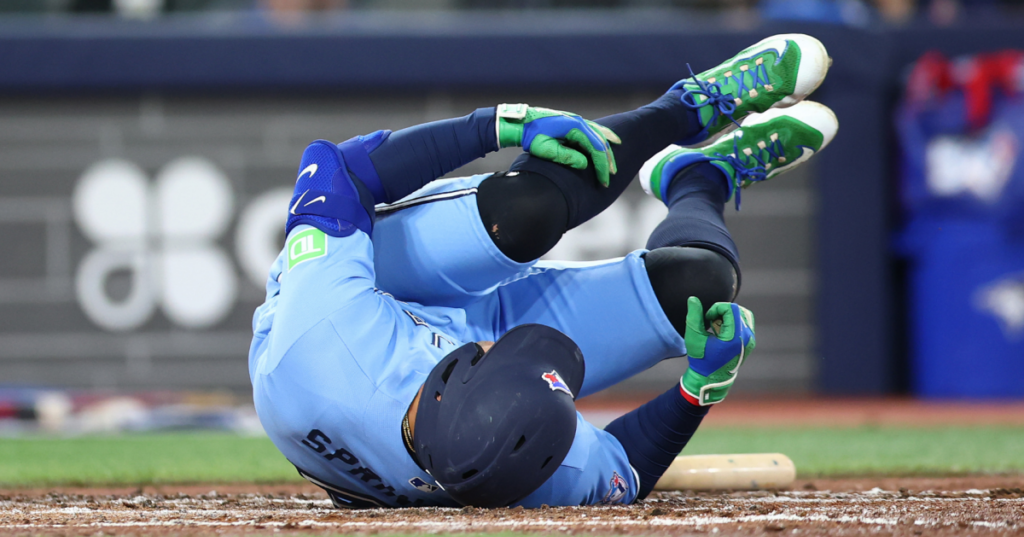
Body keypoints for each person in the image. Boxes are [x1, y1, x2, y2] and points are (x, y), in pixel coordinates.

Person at [249, 34, 837, 508]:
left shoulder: (321, 328)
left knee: (524, 213)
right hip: (404, 381)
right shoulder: (522, 465)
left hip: (379, 288)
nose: (507, 349)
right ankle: (700, 177)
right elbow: (625, 469)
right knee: (702, 291)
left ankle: (688, 107)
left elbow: (335, 170)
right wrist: (699, 388)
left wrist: (498, 125)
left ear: (457, 369)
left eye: (502, 355)